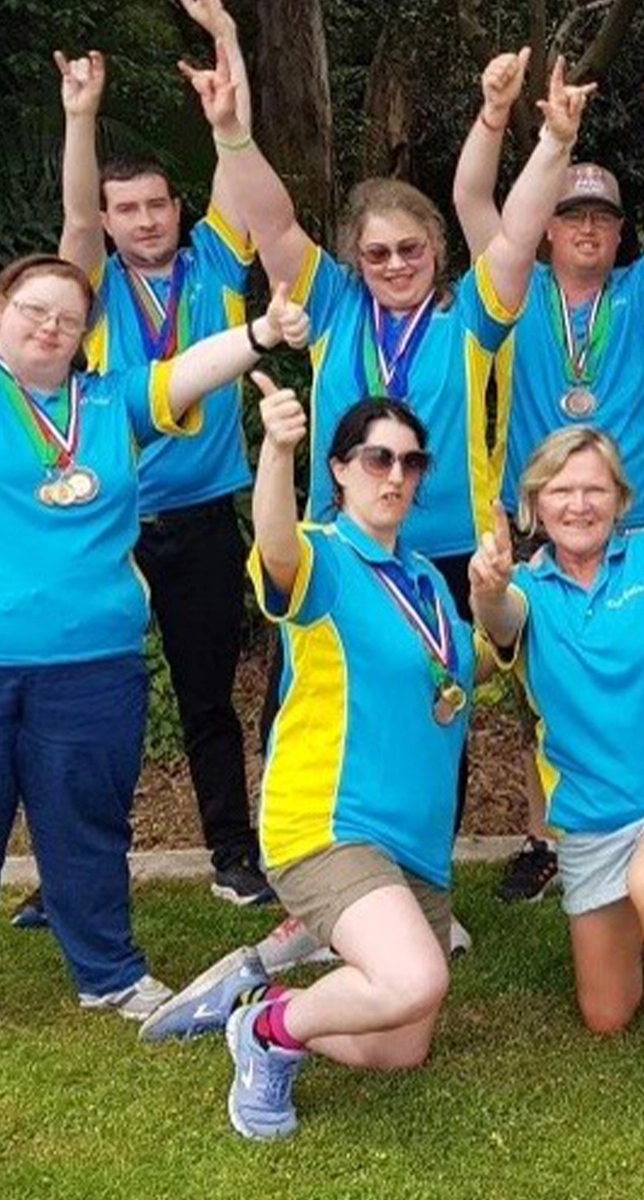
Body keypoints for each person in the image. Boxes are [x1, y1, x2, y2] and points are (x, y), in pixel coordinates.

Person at [182, 42, 593, 946]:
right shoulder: (329, 307)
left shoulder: (471, 318)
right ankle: (314, 892)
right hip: (343, 554)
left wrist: (554, 140)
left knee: (439, 720)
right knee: (306, 710)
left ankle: (419, 890)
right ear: (355, 261)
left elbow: (520, 233)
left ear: (437, 253)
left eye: (410, 249)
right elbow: (274, 220)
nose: (395, 262)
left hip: (443, 556)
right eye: (377, 252)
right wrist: (232, 132)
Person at [0, 253, 305, 1019]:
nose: (50, 327)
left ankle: (108, 973)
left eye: (68, 319)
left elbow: (190, 370)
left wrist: (262, 331)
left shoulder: (109, 404)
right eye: (34, 309)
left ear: (85, 337)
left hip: (93, 665)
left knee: (87, 825)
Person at [453, 61, 644, 902]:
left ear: (620, 232)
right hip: (538, 523)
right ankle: (545, 835)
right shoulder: (515, 294)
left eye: (600, 216)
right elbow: (470, 204)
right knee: (540, 691)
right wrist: (500, 118)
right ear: (548, 229)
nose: (586, 229)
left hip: (638, 526)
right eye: (570, 215)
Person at [41, 2, 268, 922]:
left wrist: (228, 40)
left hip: (208, 513)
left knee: (209, 697)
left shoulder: (217, 254)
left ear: (179, 208)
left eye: (156, 205)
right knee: (91, 701)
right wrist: (82, 116)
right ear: (108, 218)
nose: (144, 221)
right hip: (112, 524)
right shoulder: (87, 294)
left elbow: (238, 153)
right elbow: (71, 215)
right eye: (126, 209)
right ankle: (76, 867)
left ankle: (229, 852)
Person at [217, 380, 490, 1141]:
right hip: (331, 821)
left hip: (418, 847)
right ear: (339, 469)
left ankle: (266, 1008)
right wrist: (276, 451)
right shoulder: (325, 559)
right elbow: (275, 544)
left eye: (411, 462)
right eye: (377, 459)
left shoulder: (430, 580)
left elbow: (452, 679)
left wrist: (502, 598)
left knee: (399, 1043)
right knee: (415, 978)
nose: (396, 476)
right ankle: (271, 1031)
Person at [470, 427, 644, 1123]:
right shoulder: (526, 590)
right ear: (534, 503)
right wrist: (488, 590)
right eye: (561, 489)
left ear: (620, 498)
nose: (579, 503)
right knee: (607, 1014)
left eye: (595, 488)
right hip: (592, 826)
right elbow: (499, 623)